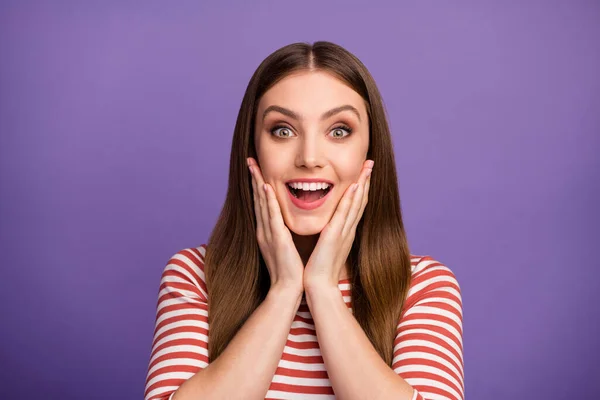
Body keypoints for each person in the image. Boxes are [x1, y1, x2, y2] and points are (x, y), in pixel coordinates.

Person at [144, 41, 464, 400]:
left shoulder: (422, 287)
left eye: (339, 130)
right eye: (283, 130)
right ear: (252, 152)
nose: (309, 157)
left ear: (369, 154)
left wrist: (323, 290)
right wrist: (283, 291)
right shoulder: (194, 275)